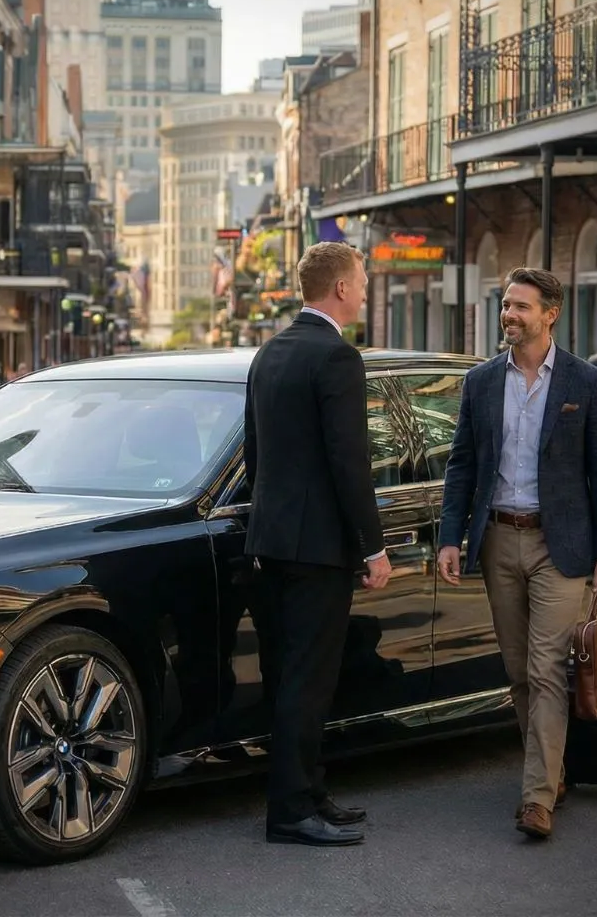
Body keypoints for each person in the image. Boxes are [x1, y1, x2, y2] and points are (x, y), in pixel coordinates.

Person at [436, 267, 597, 841]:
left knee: (546, 668)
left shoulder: (585, 383)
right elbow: (462, 462)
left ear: (550, 313)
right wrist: (450, 535)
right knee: (518, 669)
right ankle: (553, 770)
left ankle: (536, 797)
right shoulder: (482, 381)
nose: (509, 314)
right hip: (497, 538)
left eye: (521, 306)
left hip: (560, 545)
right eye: (506, 305)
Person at [243, 241, 391, 848]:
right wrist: (372, 547)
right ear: (339, 289)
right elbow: (349, 464)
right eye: (360, 280)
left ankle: (309, 792)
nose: (364, 289)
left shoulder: (269, 353)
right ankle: (290, 813)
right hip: (318, 549)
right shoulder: (337, 358)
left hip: (272, 542)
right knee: (309, 682)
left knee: (290, 678)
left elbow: (256, 455)